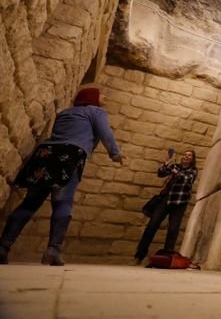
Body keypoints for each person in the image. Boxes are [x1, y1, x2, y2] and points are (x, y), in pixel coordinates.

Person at [0, 87, 126, 265]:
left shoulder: (65, 113)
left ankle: (3, 247)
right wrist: (115, 154)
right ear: (92, 98)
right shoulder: (96, 111)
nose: (105, 96)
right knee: (63, 201)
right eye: (101, 94)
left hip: (46, 154)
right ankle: (53, 250)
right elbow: (106, 133)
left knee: (30, 202)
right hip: (69, 156)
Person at [134, 149, 198, 264]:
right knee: (151, 226)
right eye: (185, 154)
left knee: (173, 230)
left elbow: (187, 180)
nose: (187, 156)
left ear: (193, 159)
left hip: (179, 202)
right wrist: (166, 164)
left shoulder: (193, 170)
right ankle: (139, 255)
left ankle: (168, 258)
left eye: (190, 155)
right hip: (166, 200)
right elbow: (161, 173)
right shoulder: (176, 166)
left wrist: (175, 172)